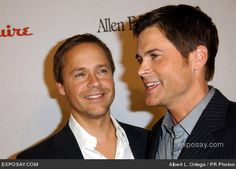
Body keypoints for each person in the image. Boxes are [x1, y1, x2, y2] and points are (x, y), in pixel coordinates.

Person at [17, 33, 149, 159]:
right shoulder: (35, 159)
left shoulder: (153, 141)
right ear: (61, 87)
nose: (95, 82)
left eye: (102, 71)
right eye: (80, 74)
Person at [133, 4, 236, 159]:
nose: (141, 70)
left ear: (198, 57)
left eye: (154, 55)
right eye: (140, 59)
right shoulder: (156, 134)